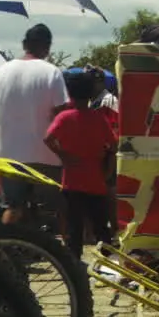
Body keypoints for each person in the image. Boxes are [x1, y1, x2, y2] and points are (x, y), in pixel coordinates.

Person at [0, 24, 68, 224]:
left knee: (13, 207)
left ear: (24, 44)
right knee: (61, 206)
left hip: (7, 157)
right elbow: (62, 117)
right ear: (47, 48)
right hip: (45, 156)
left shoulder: (2, 72)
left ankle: (6, 248)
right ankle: (68, 251)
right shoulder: (52, 73)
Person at [44, 68, 118, 260]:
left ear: (69, 93)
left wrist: (64, 155)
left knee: (74, 228)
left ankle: (74, 265)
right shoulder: (99, 118)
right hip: (96, 182)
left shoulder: (64, 117)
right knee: (101, 226)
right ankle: (109, 263)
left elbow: (48, 139)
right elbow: (113, 144)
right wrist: (108, 171)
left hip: (72, 182)